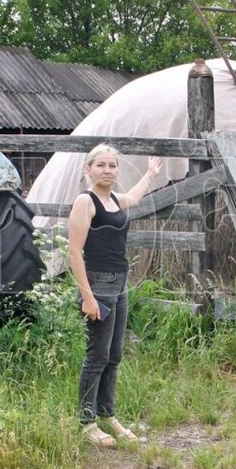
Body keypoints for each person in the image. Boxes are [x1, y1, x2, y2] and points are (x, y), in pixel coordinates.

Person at [67, 144, 163, 448]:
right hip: (98, 285)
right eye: (101, 165)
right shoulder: (87, 201)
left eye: (112, 165)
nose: (108, 170)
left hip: (120, 284)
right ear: (88, 169)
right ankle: (86, 422)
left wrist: (150, 173)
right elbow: (74, 252)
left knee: (114, 355)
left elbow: (133, 198)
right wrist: (88, 297)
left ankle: (108, 415)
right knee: (97, 355)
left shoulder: (113, 200)